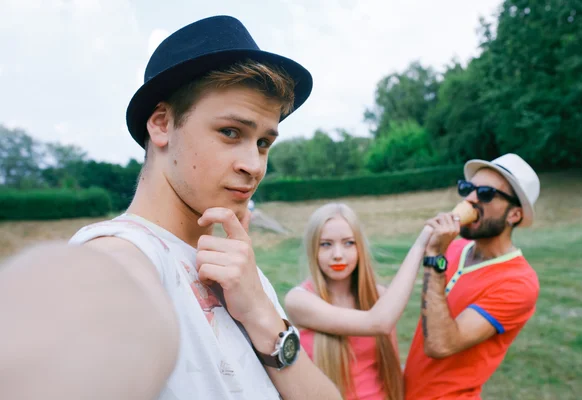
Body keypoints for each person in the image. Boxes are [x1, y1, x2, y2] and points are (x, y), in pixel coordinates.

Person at [0, 15, 341, 400]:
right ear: (162, 124)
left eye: (264, 142)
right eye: (231, 132)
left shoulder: (242, 273)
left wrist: (263, 316)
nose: (255, 165)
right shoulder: (125, 255)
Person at [403, 153, 541, 399]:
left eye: (486, 193)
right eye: (468, 188)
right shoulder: (454, 248)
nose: (470, 199)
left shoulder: (519, 283)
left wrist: (435, 256)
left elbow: (441, 344)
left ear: (514, 215)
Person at [285, 202, 433, 400]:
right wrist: (420, 245)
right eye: (326, 244)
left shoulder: (379, 298)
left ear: (360, 247)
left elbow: (392, 370)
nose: (338, 255)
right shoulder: (299, 300)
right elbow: (379, 322)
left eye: (348, 243)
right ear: (313, 249)